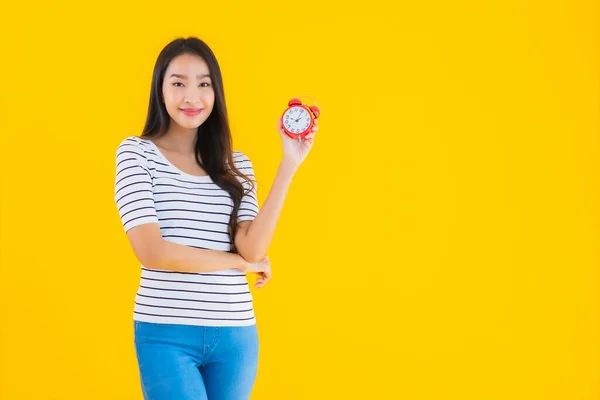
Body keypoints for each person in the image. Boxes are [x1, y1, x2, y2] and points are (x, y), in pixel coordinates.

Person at [113, 36, 319, 400]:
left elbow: (253, 250)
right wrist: (236, 263)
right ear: (160, 90)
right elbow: (152, 252)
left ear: (216, 92)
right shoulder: (136, 153)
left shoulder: (236, 165)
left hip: (236, 335)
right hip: (166, 332)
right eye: (178, 83)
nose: (192, 97)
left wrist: (290, 162)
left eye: (204, 84)